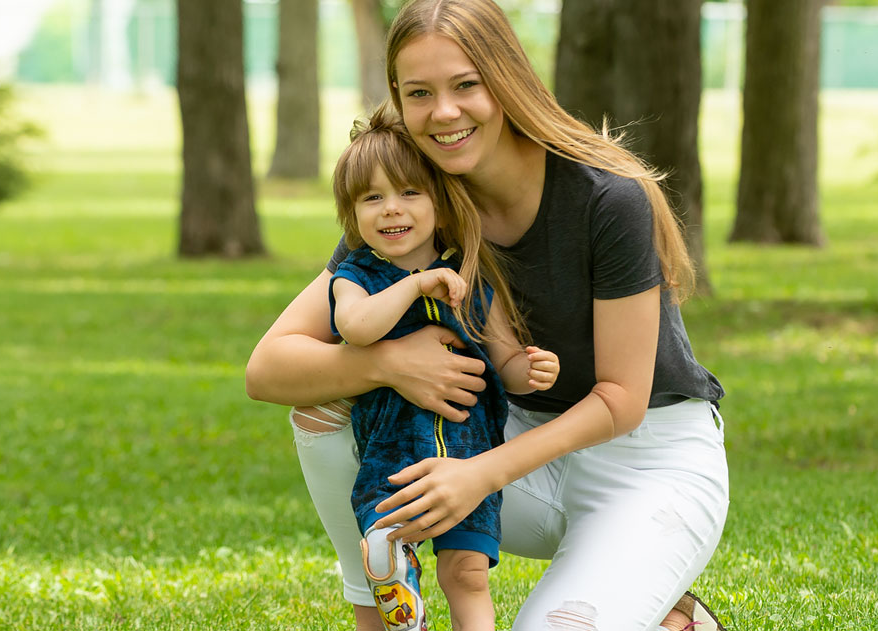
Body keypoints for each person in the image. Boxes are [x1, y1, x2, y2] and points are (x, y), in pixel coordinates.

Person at [246, 0, 730, 629]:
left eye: (466, 85)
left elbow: (621, 399)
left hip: (646, 463)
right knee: (324, 406)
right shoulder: (410, 199)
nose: (443, 113)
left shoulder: (605, 197)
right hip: (510, 439)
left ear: (506, 79)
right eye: (419, 93)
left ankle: (670, 616)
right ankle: (384, 609)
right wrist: (389, 361)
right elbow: (268, 369)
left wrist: (478, 474)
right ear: (397, 97)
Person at [325, 103, 560, 630]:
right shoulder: (356, 274)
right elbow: (357, 328)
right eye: (372, 198)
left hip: (470, 458)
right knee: (391, 535)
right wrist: (413, 283)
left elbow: (504, 359)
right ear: (352, 215)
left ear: (440, 203)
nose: (391, 209)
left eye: (409, 193)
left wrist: (532, 369)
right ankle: (395, 576)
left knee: (468, 574)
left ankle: (402, 578)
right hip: (393, 454)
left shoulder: (472, 277)